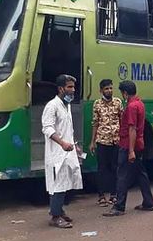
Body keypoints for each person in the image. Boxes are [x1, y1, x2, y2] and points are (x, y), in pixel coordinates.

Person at [103, 80, 153, 216]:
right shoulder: (140, 104)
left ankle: (119, 206)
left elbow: (132, 129)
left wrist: (130, 150)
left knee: (122, 175)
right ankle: (148, 202)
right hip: (139, 144)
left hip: (128, 145)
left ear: (125, 93)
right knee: (140, 173)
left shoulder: (131, 107)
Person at [41, 74, 83, 228]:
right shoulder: (52, 106)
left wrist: (74, 144)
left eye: (73, 87)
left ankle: (59, 210)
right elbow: (47, 128)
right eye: (69, 87)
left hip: (68, 150)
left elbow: (68, 129)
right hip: (57, 152)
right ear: (60, 89)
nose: (72, 90)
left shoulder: (67, 105)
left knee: (67, 181)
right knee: (58, 183)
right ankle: (55, 216)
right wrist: (62, 143)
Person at [89, 79, 123, 207]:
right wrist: (92, 142)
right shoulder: (97, 104)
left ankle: (113, 195)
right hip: (102, 141)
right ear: (101, 90)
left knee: (115, 168)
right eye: (106, 89)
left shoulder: (118, 102)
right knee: (102, 169)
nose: (109, 90)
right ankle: (101, 196)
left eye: (110, 88)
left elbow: (122, 119)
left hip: (115, 140)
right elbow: (95, 123)